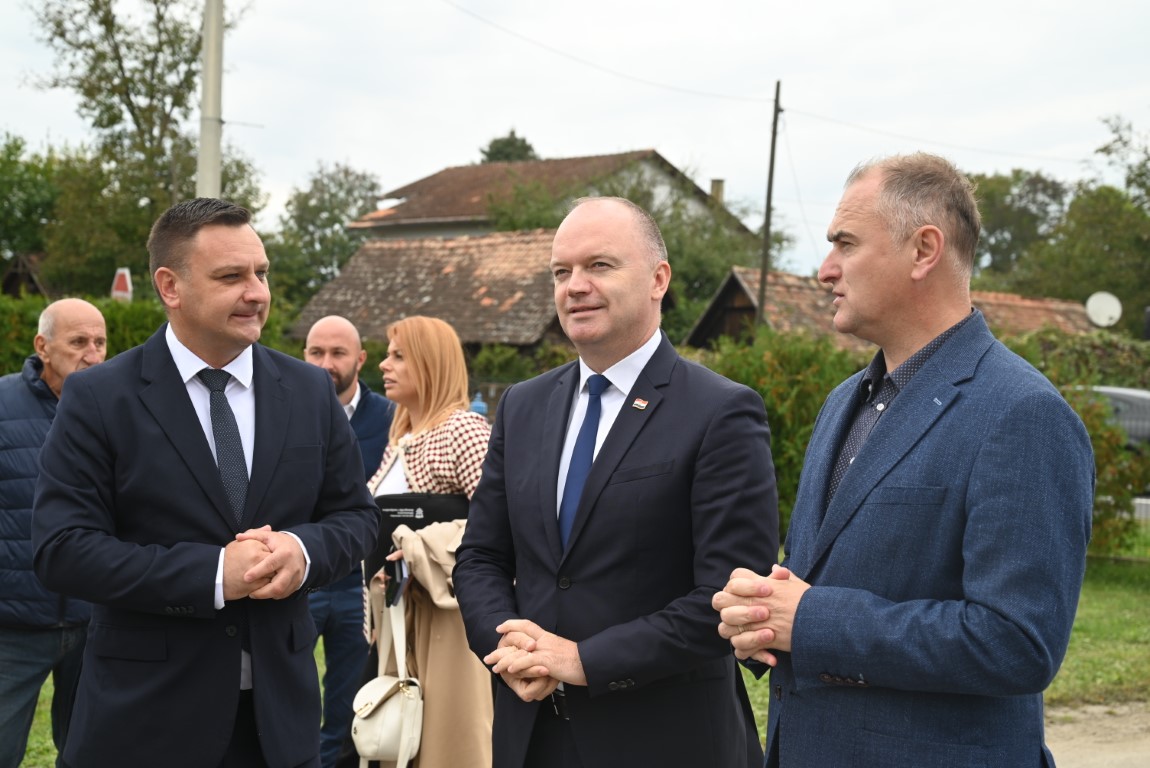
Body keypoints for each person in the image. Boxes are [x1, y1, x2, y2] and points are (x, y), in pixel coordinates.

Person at [713, 153, 1095, 767]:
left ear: (924, 251)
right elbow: (823, 577)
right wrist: (761, 614)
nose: (824, 269)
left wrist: (810, 619)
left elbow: (1018, 643)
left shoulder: (1023, 414)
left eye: (845, 243)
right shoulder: (843, 402)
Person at [32, 198, 380, 768]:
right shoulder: (100, 397)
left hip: (279, 728)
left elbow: (358, 518)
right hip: (143, 725)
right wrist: (215, 574)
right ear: (170, 286)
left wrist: (301, 551)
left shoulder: (309, 391)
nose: (257, 292)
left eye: (261, 273)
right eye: (231, 276)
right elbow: (62, 549)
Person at [453, 196, 779, 768]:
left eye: (599, 266)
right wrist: (506, 646)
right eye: (561, 272)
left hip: (663, 740)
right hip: (530, 733)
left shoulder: (720, 411)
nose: (575, 286)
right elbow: (481, 556)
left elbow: (729, 596)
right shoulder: (523, 406)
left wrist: (583, 661)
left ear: (658, 279)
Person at [352, 314, 494, 768]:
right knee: (396, 737)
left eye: (398, 356)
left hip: (449, 620)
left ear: (430, 363)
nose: (383, 365)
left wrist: (419, 548)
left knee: (448, 743)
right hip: (398, 616)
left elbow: (499, 522)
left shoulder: (463, 430)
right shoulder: (402, 437)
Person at [0, 298, 106, 768]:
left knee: (91, 752)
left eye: (100, 342)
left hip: (93, 619)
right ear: (42, 346)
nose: (93, 355)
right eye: (79, 342)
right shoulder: (3, 403)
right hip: (12, 625)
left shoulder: (114, 408)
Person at [304, 315, 395, 768]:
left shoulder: (390, 418)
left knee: (349, 702)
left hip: (360, 583)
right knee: (286, 692)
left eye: (337, 353)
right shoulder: (287, 411)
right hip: (303, 577)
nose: (326, 363)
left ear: (360, 359)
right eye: (316, 352)